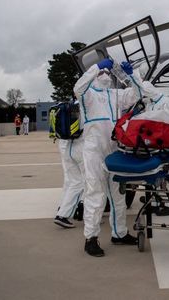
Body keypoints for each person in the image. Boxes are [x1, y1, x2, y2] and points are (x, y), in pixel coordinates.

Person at [74, 58, 145, 257]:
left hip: (113, 150)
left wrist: (132, 74)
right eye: (102, 71)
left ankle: (119, 233)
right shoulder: (87, 95)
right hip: (94, 151)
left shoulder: (115, 94)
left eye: (106, 71)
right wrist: (95, 66)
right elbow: (78, 87)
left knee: (118, 194)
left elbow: (139, 93)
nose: (105, 74)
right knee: (95, 194)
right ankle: (91, 238)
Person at [54, 103, 85, 229]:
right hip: (81, 149)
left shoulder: (71, 107)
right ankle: (87, 214)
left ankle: (62, 214)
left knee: (74, 182)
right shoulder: (88, 106)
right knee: (88, 183)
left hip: (68, 148)